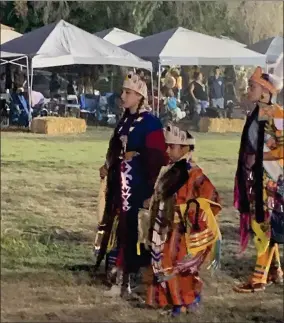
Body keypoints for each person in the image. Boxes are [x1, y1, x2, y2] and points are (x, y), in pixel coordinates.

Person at [94, 71, 167, 297]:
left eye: (127, 93)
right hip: (120, 185)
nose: (122, 96)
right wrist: (108, 165)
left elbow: (158, 158)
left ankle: (131, 275)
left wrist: (138, 157)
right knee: (120, 228)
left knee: (134, 230)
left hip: (139, 187)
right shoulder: (125, 120)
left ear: (139, 96)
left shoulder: (152, 123)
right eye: (123, 92)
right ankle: (118, 270)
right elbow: (115, 149)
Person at [146, 124, 222, 316]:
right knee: (164, 264)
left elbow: (213, 197)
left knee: (180, 267)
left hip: (184, 231)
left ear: (185, 148)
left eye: (171, 147)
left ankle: (185, 301)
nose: (167, 150)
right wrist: (153, 201)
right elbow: (161, 195)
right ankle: (175, 300)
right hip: (166, 227)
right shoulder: (169, 170)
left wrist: (196, 207)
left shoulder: (194, 173)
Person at [233, 62, 284, 293]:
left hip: (270, 179)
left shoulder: (275, 113)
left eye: (252, 86)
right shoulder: (260, 112)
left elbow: (282, 148)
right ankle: (275, 271)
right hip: (258, 177)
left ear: (265, 91)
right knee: (265, 226)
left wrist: (259, 156)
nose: (248, 89)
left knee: (261, 225)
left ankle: (259, 278)